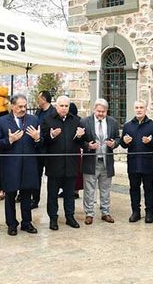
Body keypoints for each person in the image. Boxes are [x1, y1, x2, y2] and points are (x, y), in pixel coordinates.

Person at [0, 94, 42, 236]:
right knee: (10, 196)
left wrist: (37, 138)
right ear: (12, 106)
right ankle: (12, 224)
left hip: (28, 165)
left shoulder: (33, 119)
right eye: (20, 106)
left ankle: (26, 222)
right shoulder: (2, 121)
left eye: (25, 106)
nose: (23, 109)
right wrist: (10, 140)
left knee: (26, 195)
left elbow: (41, 143)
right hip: (10, 165)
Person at [40, 95, 85, 231]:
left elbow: (82, 142)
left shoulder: (76, 120)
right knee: (52, 194)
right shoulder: (48, 120)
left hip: (71, 163)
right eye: (61, 106)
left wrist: (80, 136)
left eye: (66, 106)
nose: (64, 108)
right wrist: (52, 135)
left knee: (70, 193)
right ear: (56, 106)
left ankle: (70, 217)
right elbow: (42, 141)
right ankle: (53, 218)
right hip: (54, 163)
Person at [120, 100, 153, 223]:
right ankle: (135, 212)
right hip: (133, 163)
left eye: (141, 107)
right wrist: (125, 142)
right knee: (134, 188)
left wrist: (151, 142)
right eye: (137, 107)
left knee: (149, 188)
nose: (139, 110)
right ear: (134, 109)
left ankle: (149, 212)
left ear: (146, 109)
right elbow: (123, 145)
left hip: (147, 163)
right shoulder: (128, 126)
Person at [80, 99, 120, 225]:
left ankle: (105, 212)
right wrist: (88, 146)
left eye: (103, 111)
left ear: (107, 111)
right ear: (94, 110)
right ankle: (89, 213)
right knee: (89, 189)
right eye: (98, 111)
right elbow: (78, 140)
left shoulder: (113, 122)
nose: (101, 114)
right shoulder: (85, 122)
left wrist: (114, 144)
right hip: (91, 161)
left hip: (106, 161)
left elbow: (118, 138)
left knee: (105, 188)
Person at [30, 90, 56, 209]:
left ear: (44, 99)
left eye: (38, 98)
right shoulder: (38, 112)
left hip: (50, 149)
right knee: (36, 175)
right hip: (38, 149)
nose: (37, 100)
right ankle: (35, 200)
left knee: (52, 178)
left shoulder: (54, 112)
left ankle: (52, 202)